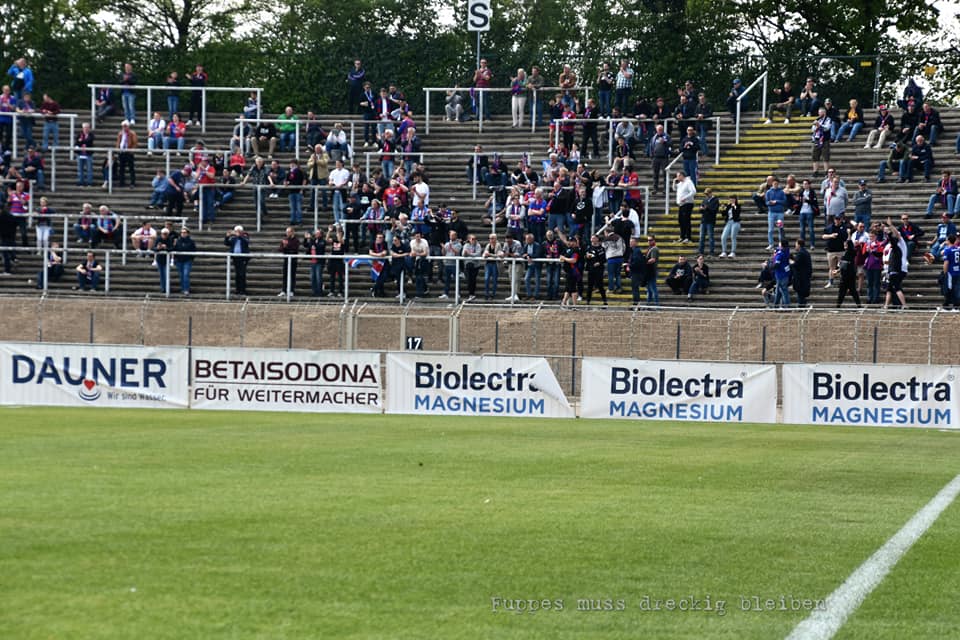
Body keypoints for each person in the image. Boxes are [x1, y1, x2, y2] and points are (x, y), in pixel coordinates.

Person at [884, 222, 908, 309]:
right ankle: (886, 306)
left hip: (898, 268)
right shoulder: (895, 247)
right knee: (889, 288)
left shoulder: (899, 245)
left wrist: (890, 227)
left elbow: (896, 235)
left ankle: (904, 305)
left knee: (896, 287)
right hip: (893, 269)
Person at [822, 214, 847, 288]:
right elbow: (823, 236)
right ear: (834, 220)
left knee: (842, 268)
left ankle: (842, 282)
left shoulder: (844, 227)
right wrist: (831, 235)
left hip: (841, 250)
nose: (837, 221)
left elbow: (846, 237)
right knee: (831, 268)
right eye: (836, 219)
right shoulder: (829, 227)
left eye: (839, 219)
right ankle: (830, 282)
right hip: (831, 251)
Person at [225, 225, 250, 296]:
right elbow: (227, 243)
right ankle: (238, 290)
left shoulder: (245, 236)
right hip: (236, 258)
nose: (237, 232)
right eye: (236, 231)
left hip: (243, 258)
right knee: (237, 275)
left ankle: (243, 290)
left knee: (242, 274)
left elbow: (246, 242)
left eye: (239, 231)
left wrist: (239, 236)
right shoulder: (233, 238)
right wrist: (227, 236)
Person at [559, 234, 582, 307]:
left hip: (573, 271)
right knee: (568, 288)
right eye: (569, 241)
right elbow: (561, 256)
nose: (570, 243)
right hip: (568, 271)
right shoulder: (567, 249)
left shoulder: (576, 250)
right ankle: (563, 303)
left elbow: (574, 260)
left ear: (575, 242)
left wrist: (564, 258)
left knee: (572, 289)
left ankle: (574, 305)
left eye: (572, 241)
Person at [764, 177, 786, 250]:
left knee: (780, 229)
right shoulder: (768, 192)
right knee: (770, 229)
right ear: (772, 184)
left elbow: (784, 201)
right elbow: (766, 202)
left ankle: (781, 244)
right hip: (771, 213)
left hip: (780, 213)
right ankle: (771, 244)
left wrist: (776, 201)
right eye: (774, 184)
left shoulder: (781, 192)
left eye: (776, 184)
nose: (775, 185)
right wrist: (770, 203)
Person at [674, 170, 696, 244]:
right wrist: (674, 182)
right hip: (681, 204)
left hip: (687, 203)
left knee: (686, 220)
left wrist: (685, 198)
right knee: (681, 220)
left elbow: (693, 191)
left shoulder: (688, 182)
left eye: (678, 176)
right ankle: (682, 236)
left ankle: (688, 237)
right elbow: (674, 189)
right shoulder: (680, 183)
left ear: (682, 176)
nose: (677, 177)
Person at [172, 227, 195, 295]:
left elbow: (193, 250)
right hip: (179, 261)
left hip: (187, 261)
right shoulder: (178, 241)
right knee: (181, 275)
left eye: (184, 232)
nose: (183, 234)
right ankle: (183, 288)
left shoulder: (191, 242)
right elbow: (175, 249)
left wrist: (190, 259)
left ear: (188, 233)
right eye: (182, 232)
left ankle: (186, 289)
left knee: (185, 275)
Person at [279, 226, 300, 296]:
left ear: (292, 232)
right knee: (285, 276)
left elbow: (295, 249)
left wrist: (287, 246)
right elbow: (281, 249)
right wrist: (284, 246)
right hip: (286, 260)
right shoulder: (284, 239)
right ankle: (283, 290)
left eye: (288, 232)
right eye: (286, 232)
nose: (287, 233)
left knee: (292, 276)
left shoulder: (296, 240)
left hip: (293, 261)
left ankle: (291, 290)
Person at [811, 107, 832, 176]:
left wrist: (819, 125)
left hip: (824, 140)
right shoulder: (817, 119)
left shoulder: (828, 119)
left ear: (824, 113)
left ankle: (826, 172)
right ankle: (815, 171)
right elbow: (813, 129)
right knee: (815, 156)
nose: (819, 114)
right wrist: (816, 126)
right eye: (819, 112)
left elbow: (827, 128)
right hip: (816, 140)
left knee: (825, 156)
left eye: (821, 112)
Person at [698, 187, 719, 256]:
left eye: (707, 194)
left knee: (711, 237)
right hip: (703, 220)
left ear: (711, 193)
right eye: (706, 194)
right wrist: (701, 209)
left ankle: (711, 252)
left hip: (710, 221)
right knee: (701, 238)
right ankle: (700, 252)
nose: (706, 195)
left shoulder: (715, 200)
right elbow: (700, 210)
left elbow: (714, 210)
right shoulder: (704, 200)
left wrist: (707, 208)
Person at [791, 238, 812, 306]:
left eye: (796, 244)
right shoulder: (805, 252)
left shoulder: (801, 253)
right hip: (804, 276)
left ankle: (801, 305)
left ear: (799, 245)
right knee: (801, 293)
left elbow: (796, 264)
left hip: (801, 277)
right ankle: (802, 304)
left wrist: (791, 262)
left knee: (800, 292)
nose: (795, 246)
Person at [942, 235, 960, 309]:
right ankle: (956, 304)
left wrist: (945, 273)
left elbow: (946, 263)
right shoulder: (958, 249)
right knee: (957, 288)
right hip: (958, 271)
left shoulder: (948, 250)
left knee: (949, 288)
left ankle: (948, 304)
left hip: (951, 272)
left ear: (948, 241)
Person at [771, 239, 791, 308]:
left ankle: (786, 306)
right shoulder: (787, 250)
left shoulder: (780, 254)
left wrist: (769, 266)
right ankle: (776, 305)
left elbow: (776, 264)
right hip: (785, 273)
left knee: (783, 290)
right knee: (779, 290)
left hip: (780, 274)